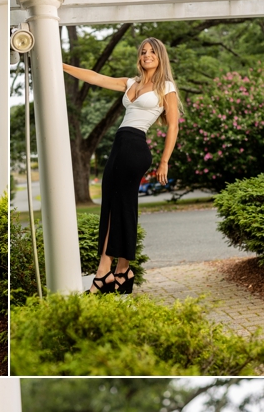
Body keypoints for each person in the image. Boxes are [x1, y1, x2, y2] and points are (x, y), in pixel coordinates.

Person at [62, 37, 181, 295]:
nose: (146, 55)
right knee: (114, 207)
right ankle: (121, 271)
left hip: (136, 148)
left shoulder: (166, 87)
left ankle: (104, 272)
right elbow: (94, 77)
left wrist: (164, 161)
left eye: (152, 51)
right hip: (119, 146)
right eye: (143, 52)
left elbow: (173, 125)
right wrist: (60, 65)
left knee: (119, 208)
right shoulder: (131, 83)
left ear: (160, 56)